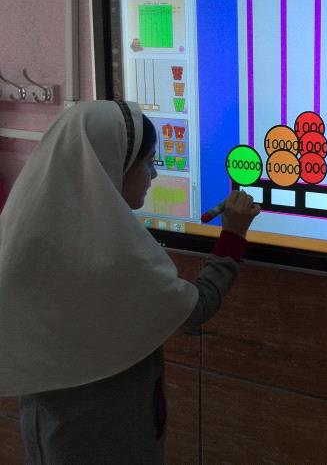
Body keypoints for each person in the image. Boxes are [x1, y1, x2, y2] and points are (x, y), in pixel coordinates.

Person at [0, 100, 260, 464]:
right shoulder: (112, 256)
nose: (154, 174)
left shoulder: (29, 232)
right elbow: (196, 308)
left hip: (49, 427)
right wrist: (233, 235)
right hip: (105, 437)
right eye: (148, 161)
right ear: (111, 165)